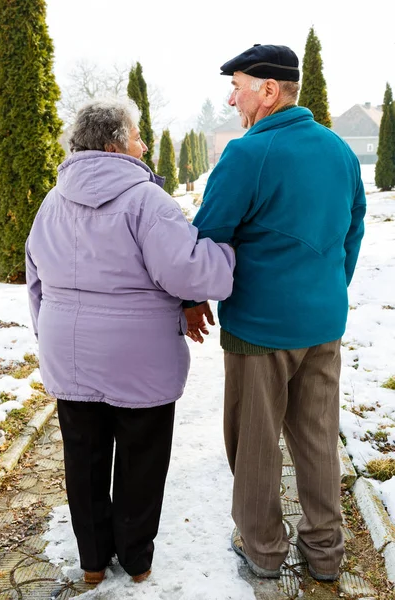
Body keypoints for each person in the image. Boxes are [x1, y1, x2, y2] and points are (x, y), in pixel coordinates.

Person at [25, 98, 235, 585]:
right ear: (112, 145)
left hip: (69, 355)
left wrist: (50, 333)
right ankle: (136, 560)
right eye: (138, 136)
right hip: (139, 358)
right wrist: (224, 253)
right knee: (142, 456)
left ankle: (94, 561)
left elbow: (36, 280)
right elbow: (184, 271)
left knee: (83, 456)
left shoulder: (51, 202)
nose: (144, 145)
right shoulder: (147, 202)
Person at [184, 44, 366, 582]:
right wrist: (327, 289)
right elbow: (352, 232)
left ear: (268, 90)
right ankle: (325, 553)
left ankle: (264, 552)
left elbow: (206, 238)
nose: (231, 95)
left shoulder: (246, 154)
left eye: (237, 84)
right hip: (323, 324)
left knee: (256, 443)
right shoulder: (338, 150)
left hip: (260, 329)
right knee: (316, 438)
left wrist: (193, 298)